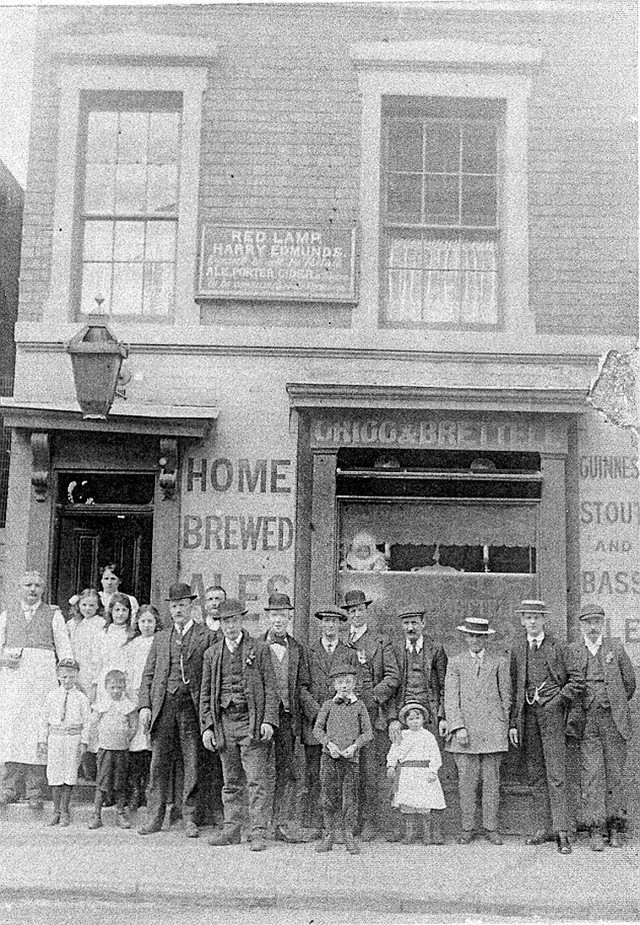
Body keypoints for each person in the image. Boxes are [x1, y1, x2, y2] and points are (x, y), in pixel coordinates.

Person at [200, 598, 280, 852]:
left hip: (251, 721)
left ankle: (258, 832)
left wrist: (268, 720)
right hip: (225, 722)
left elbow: (271, 688)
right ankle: (232, 829)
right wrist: (208, 727)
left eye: (234, 620)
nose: (230, 626)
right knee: (231, 780)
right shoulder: (212, 654)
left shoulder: (259, 648)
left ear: (241, 621)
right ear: (219, 624)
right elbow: (205, 694)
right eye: (225, 621)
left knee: (256, 780)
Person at [138, 583, 214, 838]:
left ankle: (189, 817)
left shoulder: (207, 635)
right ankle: (154, 817)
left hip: (191, 707)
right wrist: (145, 705)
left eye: (182, 604)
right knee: (158, 764)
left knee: (192, 762)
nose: (178, 609)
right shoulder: (161, 637)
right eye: (174, 606)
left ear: (191, 606)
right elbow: (148, 674)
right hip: (164, 706)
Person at [509, 599, 580, 855]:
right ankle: (543, 828)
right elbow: (515, 689)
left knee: (556, 774)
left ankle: (562, 831)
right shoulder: (518, 648)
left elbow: (576, 681)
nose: (532, 622)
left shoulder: (558, 646)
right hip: (528, 718)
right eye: (527, 617)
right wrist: (514, 723)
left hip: (553, 718)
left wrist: (556, 702)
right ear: (521, 620)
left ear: (544, 620)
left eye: (536, 617)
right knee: (536, 774)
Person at [566, 603, 637, 850]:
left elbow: (629, 682)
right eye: (588, 623)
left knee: (615, 774)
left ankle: (616, 826)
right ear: (581, 625)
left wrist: (613, 702)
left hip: (613, 721)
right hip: (587, 722)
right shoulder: (574, 650)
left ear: (603, 624)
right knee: (592, 775)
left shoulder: (615, 648)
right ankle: (596, 829)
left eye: (597, 622)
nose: (593, 627)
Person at [0, 571, 73, 809]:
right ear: (20, 587)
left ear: (43, 589)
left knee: (37, 732)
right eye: (28, 584)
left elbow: (65, 649)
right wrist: (4, 659)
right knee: (13, 731)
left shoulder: (53, 615)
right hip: (14, 683)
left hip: (42, 682)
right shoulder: (7, 615)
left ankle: (35, 790)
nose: (33, 589)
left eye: (37, 586)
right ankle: (10, 787)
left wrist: (66, 677)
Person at [444, 616, 511, 846]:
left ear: (486, 638)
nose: (475, 640)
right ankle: (467, 827)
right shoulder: (455, 662)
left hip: (493, 731)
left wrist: (503, 726)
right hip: (465, 733)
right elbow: (451, 699)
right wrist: (458, 727)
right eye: (471, 635)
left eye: (479, 636)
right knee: (467, 783)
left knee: (492, 782)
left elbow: (506, 697)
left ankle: (491, 827)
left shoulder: (499, 662)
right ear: (465, 637)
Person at [343, 588, 400, 840]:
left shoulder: (380, 641)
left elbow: (392, 677)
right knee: (347, 772)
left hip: (372, 716)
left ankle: (369, 822)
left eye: (360, 610)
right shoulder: (342, 642)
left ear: (366, 611)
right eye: (352, 611)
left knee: (369, 772)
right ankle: (349, 821)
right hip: (345, 717)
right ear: (347, 615)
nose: (356, 614)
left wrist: (372, 697)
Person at [387, 609, 448, 843]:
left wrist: (442, 716)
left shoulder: (435, 649)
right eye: (406, 624)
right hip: (403, 719)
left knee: (429, 776)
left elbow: (443, 685)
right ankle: (402, 829)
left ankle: (432, 831)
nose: (410, 628)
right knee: (402, 778)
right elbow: (391, 685)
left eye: (414, 623)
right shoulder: (394, 650)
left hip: (429, 717)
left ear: (423, 623)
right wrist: (393, 718)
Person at [301, 606, 359, 836]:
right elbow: (302, 687)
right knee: (317, 773)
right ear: (320, 625)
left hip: (342, 726)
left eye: (334, 622)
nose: (330, 626)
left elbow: (357, 687)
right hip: (316, 723)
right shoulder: (309, 651)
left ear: (341, 626)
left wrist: (338, 716)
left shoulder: (349, 653)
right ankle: (319, 825)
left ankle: (342, 827)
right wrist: (319, 712)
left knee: (344, 778)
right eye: (326, 622)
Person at [260, 591, 313, 842]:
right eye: (274, 615)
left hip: (288, 718)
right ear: (268, 617)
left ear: (289, 617)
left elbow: (302, 685)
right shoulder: (257, 646)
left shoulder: (297, 648)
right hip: (262, 718)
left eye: (283, 615)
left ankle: (279, 823)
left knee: (285, 770)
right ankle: (258, 824)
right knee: (259, 769)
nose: (279, 620)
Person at [313, 663, 373, 855]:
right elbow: (317, 729)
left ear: (355, 684)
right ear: (333, 685)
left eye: (348, 682)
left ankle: (348, 835)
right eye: (340, 682)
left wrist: (354, 747)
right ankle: (329, 834)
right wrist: (329, 745)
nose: (344, 686)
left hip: (351, 760)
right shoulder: (328, 705)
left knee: (350, 798)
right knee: (328, 797)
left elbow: (368, 733)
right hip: (329, 758)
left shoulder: (359, 706)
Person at [37, 658, 91, 826]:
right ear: (58, 676)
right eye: (65, 677)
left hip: (73, 738)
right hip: (55, 737)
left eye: (72, 677)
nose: (68, 681)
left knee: (69, 772)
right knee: (54, 773)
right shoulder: (52, 696)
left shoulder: (81, 698)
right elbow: (44, 719)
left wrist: (84, 741)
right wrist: (42, 739)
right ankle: (56, 810)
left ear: (77, 677)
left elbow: (87, 721)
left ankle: (65, 810)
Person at [386, 701, 446, 845]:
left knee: (425, 803)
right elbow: (394, 752)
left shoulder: (428, 736)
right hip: (407, 774)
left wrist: (433, 771)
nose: (414, 722)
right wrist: (391, 766)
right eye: (411, 719)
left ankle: (428, 834)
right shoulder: (402, 735)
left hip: (424, 774)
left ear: (423, 719)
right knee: (408, 804)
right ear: (405, 721)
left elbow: (435, 755)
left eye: (417, 718)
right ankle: (410, 833)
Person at [88, 669, 137, 830]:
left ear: (124, 687)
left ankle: (120, 813)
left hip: (121, 749)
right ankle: (96, 815)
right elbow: (93, 724)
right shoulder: (102, 705)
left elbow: (133, 724)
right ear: (106, 688)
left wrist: (127, 736)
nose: (116, 691)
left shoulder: (127, 705)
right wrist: (97, 741)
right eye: (112, 687)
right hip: (106, 750)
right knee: (103, 782)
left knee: (120, 782)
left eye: (119, 687)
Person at [125, 604, 161, 813]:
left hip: (154, 698)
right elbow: (128, 672)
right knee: (136, 746)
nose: (146, 625)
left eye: (150, 621)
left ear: (156, 623)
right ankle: (135, 790)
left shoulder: (160, 641)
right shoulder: (133, 645)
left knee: (150, 746)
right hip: (135, 697)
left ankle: (150, 790)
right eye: (143, 621)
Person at [67, 589, 105, 699]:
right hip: (77, 668)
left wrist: (95, 679)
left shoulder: (100, 624)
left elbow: (99, 653)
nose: (87, 608)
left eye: (91, 605)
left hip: (92, 670)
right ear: (78, 605)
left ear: (97, 606)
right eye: (84, 605)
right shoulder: (74, 624)